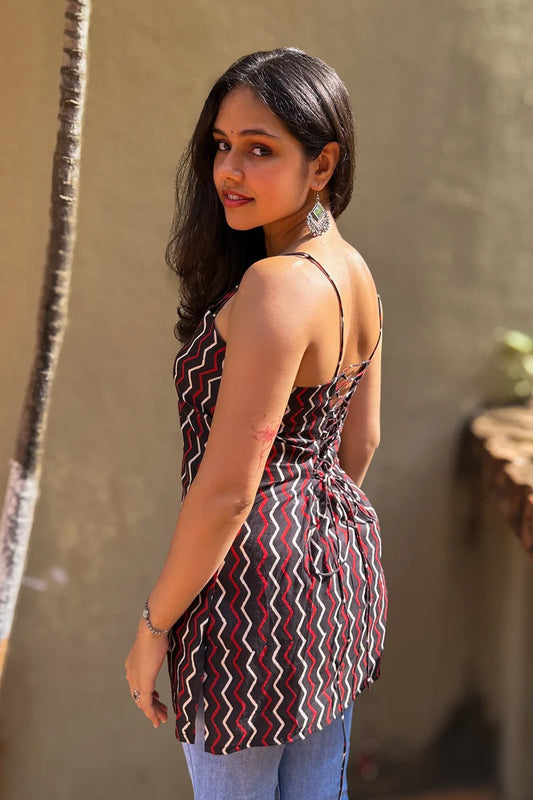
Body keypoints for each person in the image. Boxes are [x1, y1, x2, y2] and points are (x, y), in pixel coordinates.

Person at [125, 47, 387, 800]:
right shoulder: (354, 272)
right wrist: (307, 538)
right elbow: (359, 442)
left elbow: (227, 495)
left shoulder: (277, 284)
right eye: (221, 146)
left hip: (246, 597)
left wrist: (153, 628)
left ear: (322, 164)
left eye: (259, 149)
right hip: (331, 575)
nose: (229, 171)